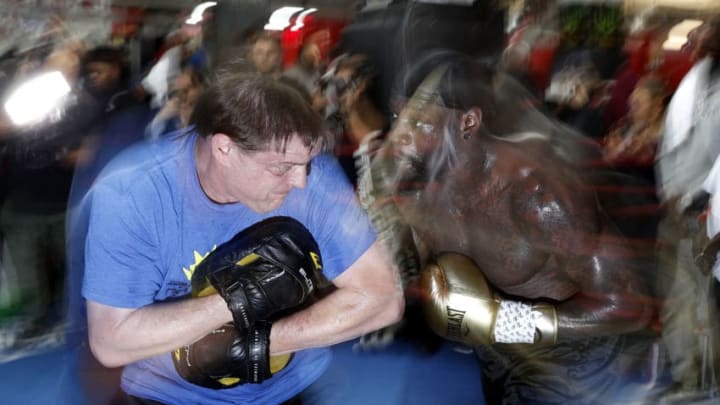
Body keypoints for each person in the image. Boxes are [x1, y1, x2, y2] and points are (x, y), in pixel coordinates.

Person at [78, 67, 403, 404]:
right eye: (281, 168)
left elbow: (383, 301)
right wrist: (234, 301)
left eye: (305, 162)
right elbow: (110, 342)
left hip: (289, 388)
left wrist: (262, 344)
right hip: (169, 394)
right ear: (224, 149)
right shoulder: (133, 193)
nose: (300, 182)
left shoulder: (313, 176)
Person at [371, 51, 672, 404]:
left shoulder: (536, 191)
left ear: (468, 122)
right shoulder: (416, 192)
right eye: (399, 119)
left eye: (421, 124)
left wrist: (508, 320)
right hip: (497, 356)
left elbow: (628, 305)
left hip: (570, 360)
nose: (402, 136)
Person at [655, 14, 720, 396]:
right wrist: (671, 197)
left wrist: (697, 202)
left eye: (706, 33)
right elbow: (672, 145)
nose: (695, 38)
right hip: (678, 211)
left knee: (703, 304)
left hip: (708, 217)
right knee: (679, 300)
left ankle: (706, 381)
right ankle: (687, 379)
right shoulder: (694, 81)